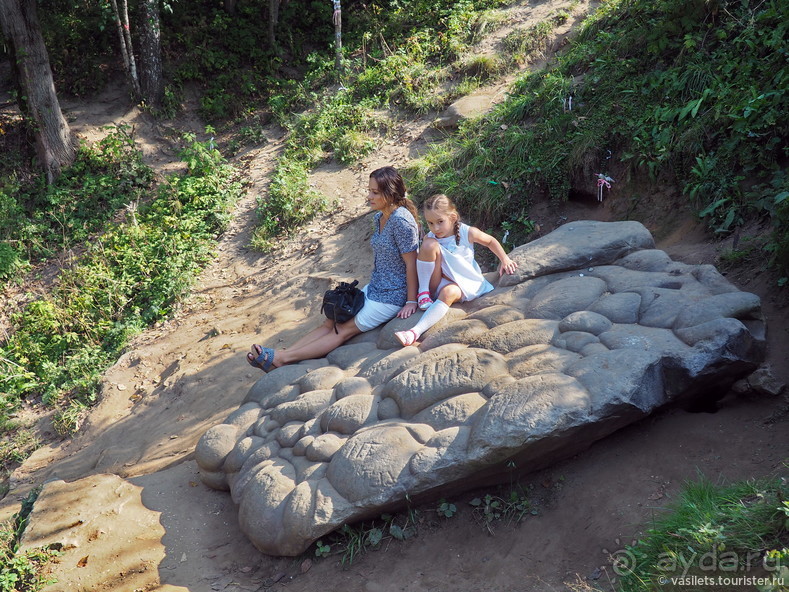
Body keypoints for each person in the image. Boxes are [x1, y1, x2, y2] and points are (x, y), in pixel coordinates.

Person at [247, 166, 420, 371]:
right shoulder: (379, 217)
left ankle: (282, 359)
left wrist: (411, 301)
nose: (368, 196)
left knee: (343, 330)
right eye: (369, 190)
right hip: (376, 287)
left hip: (393, 296)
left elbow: (412, 263)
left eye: (374, 192)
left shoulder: (401, 221)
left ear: (390, 193)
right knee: (332, 321)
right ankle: (280, 356)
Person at [394, 194, 518, 347]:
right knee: (428, 244)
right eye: (430, 223)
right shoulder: (431, 237)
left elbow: (490, 241)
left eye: (440, 222)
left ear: (452, 217)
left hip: (464, 284)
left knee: (448, 293)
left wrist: (505, 259)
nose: (435, 228)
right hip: (438, 281)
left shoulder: (467, 232)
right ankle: (423, 293)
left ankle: (414, 332)